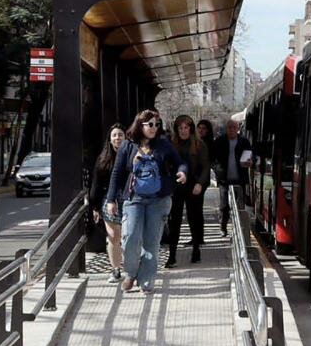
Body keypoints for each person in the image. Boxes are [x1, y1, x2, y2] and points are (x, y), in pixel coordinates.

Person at [105, 109, 188, 294]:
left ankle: (147, 279)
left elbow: (180, 162)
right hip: (134, 199)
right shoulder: (128, 145)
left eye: (156, 125)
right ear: (140, 125)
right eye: (150, 124)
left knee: (152, 242)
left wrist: (182, 172)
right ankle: (131, 273)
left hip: (158, 200)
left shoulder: (163, 144)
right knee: (131, 238)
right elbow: (117, 173)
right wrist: (111, 199)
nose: (154, 128)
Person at [165, 115, 210, 267]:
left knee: (194, 218)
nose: (183, 131)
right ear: (177, 130)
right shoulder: (172, 144)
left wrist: (200, 184)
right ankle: (172, 255)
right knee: (174, 220)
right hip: (177, 186)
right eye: (180, 128)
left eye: (186, 128)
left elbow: (205, 167)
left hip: (193, 185)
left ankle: (196, 250)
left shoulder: (199, 144)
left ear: (191, 129)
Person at [90, 124, 126, 283]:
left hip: (130, 199)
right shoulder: (103, 159)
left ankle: (132, 268)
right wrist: (95, 206)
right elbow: (96, 184)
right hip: (109, 201)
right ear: (110, 139)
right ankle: (116, 269)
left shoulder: (132, 155)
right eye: (114, 135)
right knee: (113, 236)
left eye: (120, 135)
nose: (118, 138)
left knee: (130, 236)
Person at [214, 118, 253, 236]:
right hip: (224, 179)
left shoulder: (244, 142)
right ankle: (223, 227)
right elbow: (213, 158)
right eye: (229, 128)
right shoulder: (220, 141)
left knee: (239, 205)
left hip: (240, 178)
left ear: (238, 129)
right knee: (224, 205)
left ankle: (239, 228)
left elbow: (251, 155)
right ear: (226, 129)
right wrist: (217, 169)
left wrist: (250, 162)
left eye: (234, 128)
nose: (231, 130)